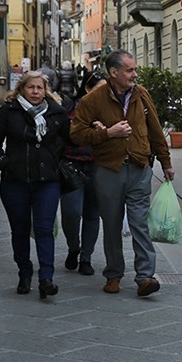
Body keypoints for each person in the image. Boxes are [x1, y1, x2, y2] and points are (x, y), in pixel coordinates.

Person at [70, 50, 174, 297]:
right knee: (113, 224)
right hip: (108, 170)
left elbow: (155, 130)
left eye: (134, 69)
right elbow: (76, 134)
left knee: (140, 223)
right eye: (129, 70)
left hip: (139, 167)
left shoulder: (141, 94)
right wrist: (107, 134)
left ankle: (145, 277)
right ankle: (114, 274)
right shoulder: (92, 101)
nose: (134, 74)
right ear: (114, 72)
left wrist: (165, 162)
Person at [0, 71, 70, 299]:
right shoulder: (8, 111)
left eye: (39, 88)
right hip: (15, 182)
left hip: (47, 182)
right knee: (20, 231)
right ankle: (24, 272)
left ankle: (46, 279)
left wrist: (56, 161)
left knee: (44, 230)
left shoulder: (57, 113)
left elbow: (72, 139)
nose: (35, 92)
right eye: (30, 87)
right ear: (21, 89)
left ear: (45, 90)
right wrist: (3, 163)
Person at [60, 71, 107, 277]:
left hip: (98, 166)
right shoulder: (71, 107)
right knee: (71, 213)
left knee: (92, 213)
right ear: (87, 89)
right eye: (99, 89)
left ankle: (86, 257)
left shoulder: (110, 109)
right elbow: (63, 134)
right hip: (72, 165)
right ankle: (73, 247)